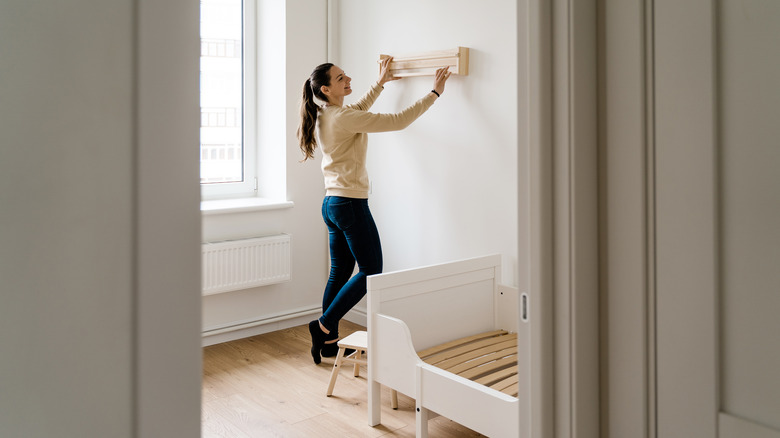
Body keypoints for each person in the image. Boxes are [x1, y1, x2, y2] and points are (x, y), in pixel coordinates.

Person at [297, 57, 451, 364]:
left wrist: (380, 83)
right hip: (350, 204)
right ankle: (323, 326)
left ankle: (328, 341)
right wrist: (434, 94)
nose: (348, 78)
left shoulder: (329, 113)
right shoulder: (342, 117)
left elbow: (360, 109)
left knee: (340, 271)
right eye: (341, 78)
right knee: (371, 270)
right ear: (327, 89)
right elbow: (398, 121)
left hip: (332, 204)